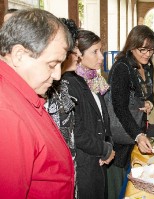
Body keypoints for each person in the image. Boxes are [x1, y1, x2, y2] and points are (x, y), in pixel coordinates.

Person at [0, 9, 74, 198]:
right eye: (51, 64)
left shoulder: (22, 92)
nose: (57, 75)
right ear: (19, 55)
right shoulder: (6, 114)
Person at [107, 25, 154, 199]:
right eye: (142, 49)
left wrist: (149, 102)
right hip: (122, 135)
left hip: (137, 129)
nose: (147, 54)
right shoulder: (122, 68)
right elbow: (119, 107)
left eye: (150, 50)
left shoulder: (148, 65)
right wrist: (137, 135)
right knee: (118, 184)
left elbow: (150, 92)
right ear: (131, 46)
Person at [63, 29, 115, 199]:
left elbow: (103, 118)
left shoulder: (93, 79)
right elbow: (76, 130)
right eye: (95, 52)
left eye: (100, 50)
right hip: (85, 164)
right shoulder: (69, 84)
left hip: (98, 160)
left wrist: (108, 145)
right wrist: (104, 149)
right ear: (78, 54)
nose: (101, 57)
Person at [46, 18, 81, 198]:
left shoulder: (62, 85)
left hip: (69, 174)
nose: (78, 55)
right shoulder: (43, 88)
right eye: (72, 50)